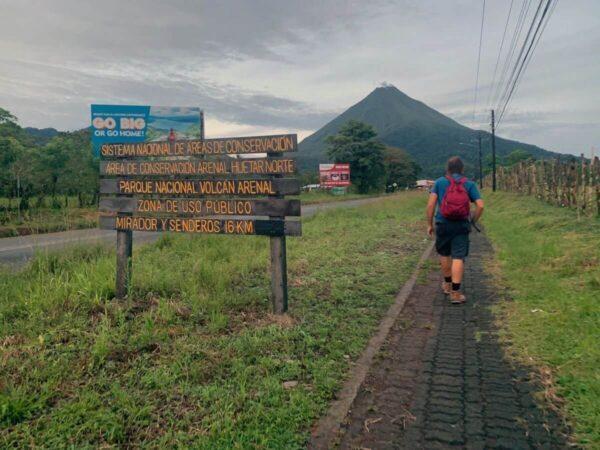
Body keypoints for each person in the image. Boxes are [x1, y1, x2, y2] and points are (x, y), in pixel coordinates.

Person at [426, 156, 484, 304]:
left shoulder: (439, 182)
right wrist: (472, 221)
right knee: (458, 257)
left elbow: (431, 205)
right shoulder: (469, 184)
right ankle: (456, 293)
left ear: (448, 169)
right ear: (462, 169)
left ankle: (447, 285)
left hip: (443, 223)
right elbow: (480, 206)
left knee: (444, 254)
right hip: (461, 225)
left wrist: (430, 224)